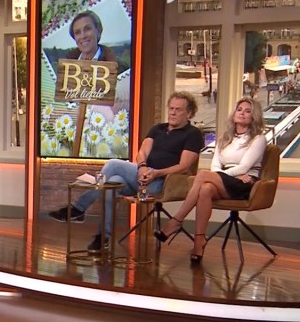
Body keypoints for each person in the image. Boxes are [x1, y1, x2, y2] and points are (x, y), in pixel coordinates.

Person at [48, 92, 204, 251]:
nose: (173, 112)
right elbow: (142, 152)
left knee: (113, 164)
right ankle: (102, 238)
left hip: (163, 183)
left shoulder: (193, 134)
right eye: (171, 108)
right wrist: (142, 166)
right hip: (142, 176)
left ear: (189, 113)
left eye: (178, 109)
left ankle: (78, 209)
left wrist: (156, 173)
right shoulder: (158, 129)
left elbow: (184, 166)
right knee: (111, 185)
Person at [155, 97, 267, 264]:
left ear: (254, 116)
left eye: (248, 111)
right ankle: (199, 241)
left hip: (245, 182)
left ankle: (176, 220)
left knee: (202, 175)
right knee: (205, 188)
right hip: (226, 179)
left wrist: (223, 176)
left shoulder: (258, 139)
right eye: (239, 110)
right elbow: (215, 166)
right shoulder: (224, 138)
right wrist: (221, 176)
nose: (242, 113)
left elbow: (244, 168)